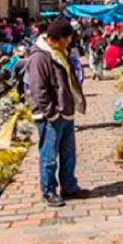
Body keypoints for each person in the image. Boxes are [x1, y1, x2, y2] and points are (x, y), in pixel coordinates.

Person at [25, 18, 87, 207]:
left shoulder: (60, 52)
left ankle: (69, 186)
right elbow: (38, 89)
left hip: (65, 112)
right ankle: (48, 190)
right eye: (67, 39)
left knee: (68, 154)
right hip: (49, 116)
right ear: (57, 39)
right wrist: (51, 112)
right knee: (49, 155)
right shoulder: (40, 57)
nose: (69, 42)